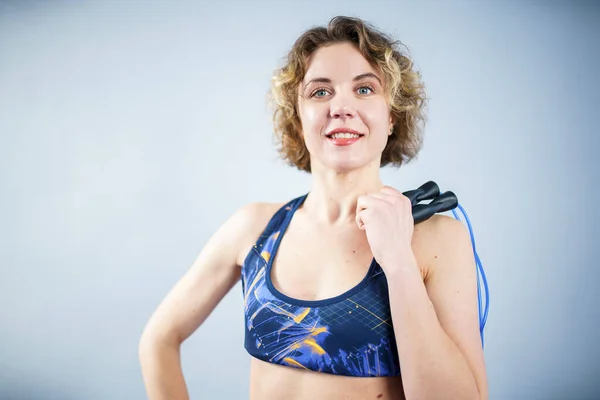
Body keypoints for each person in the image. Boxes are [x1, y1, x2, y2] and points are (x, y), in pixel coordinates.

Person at [139, 15, 489, 400]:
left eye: (365, 89)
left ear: (392, 116)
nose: (340, 106)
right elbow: (158, 339)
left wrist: (398, 261)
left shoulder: (437, 239)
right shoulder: (255, 229)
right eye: (320, 92)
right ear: (297, 115)